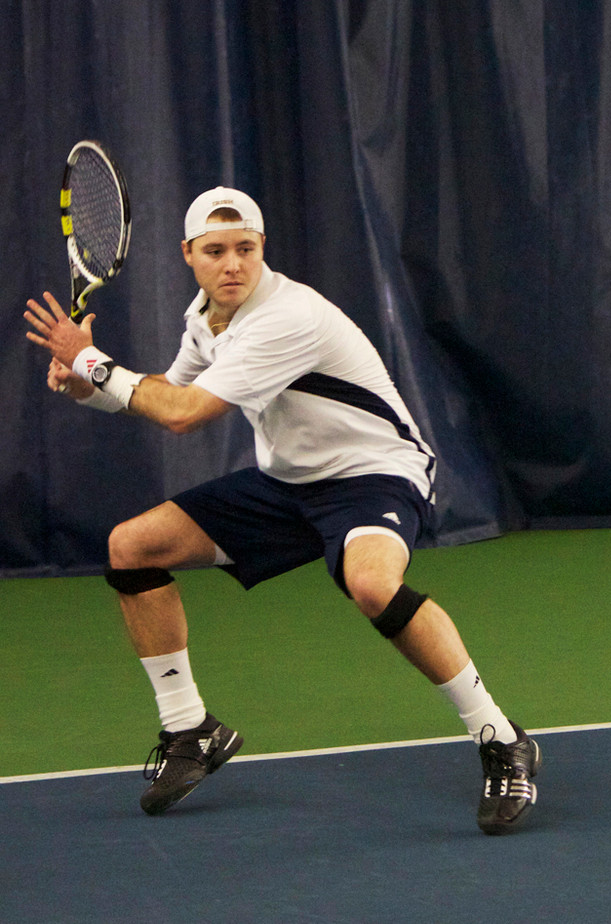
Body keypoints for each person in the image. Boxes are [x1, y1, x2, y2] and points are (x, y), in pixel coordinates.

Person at [24, 186, 540, 835]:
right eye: (216, 251)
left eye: (245, 248)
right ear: (189, 255)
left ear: (262, 247)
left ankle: (500, 737)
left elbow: (183, 417)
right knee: (133, 547)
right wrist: (84, 388)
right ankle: (191, 730)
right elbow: (166, 393)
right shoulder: (203, 317)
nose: (233, 264)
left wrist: (92, 361)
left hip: (370, 474)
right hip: (289, 482)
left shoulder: (287, 316)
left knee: (373, 586)